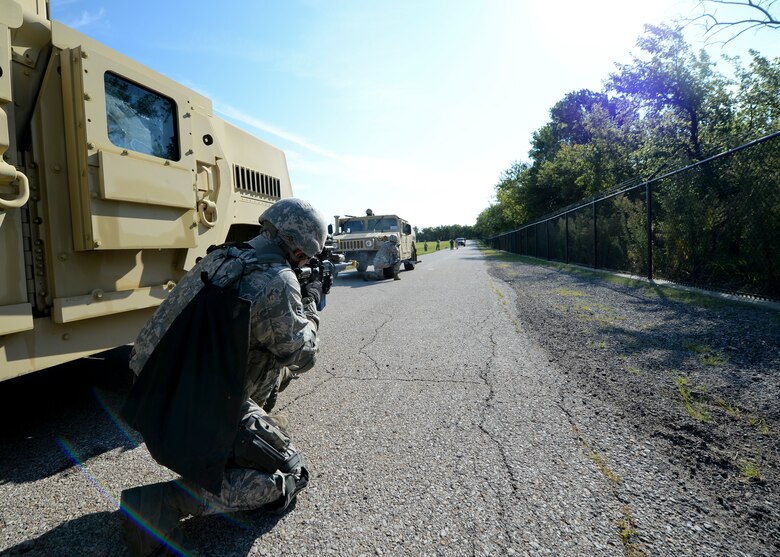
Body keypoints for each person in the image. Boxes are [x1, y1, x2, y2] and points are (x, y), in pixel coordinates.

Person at [119, 198, 327, 557]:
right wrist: (311, 302)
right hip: (192, 414)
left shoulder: (222, 256)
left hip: (154, 395)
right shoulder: (278, 280)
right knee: (290, 475)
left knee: (265, 357)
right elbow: (302, 356)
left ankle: (229, 450)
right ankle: (162, 503)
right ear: (297, 249)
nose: (305, 263)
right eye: (307, 257)